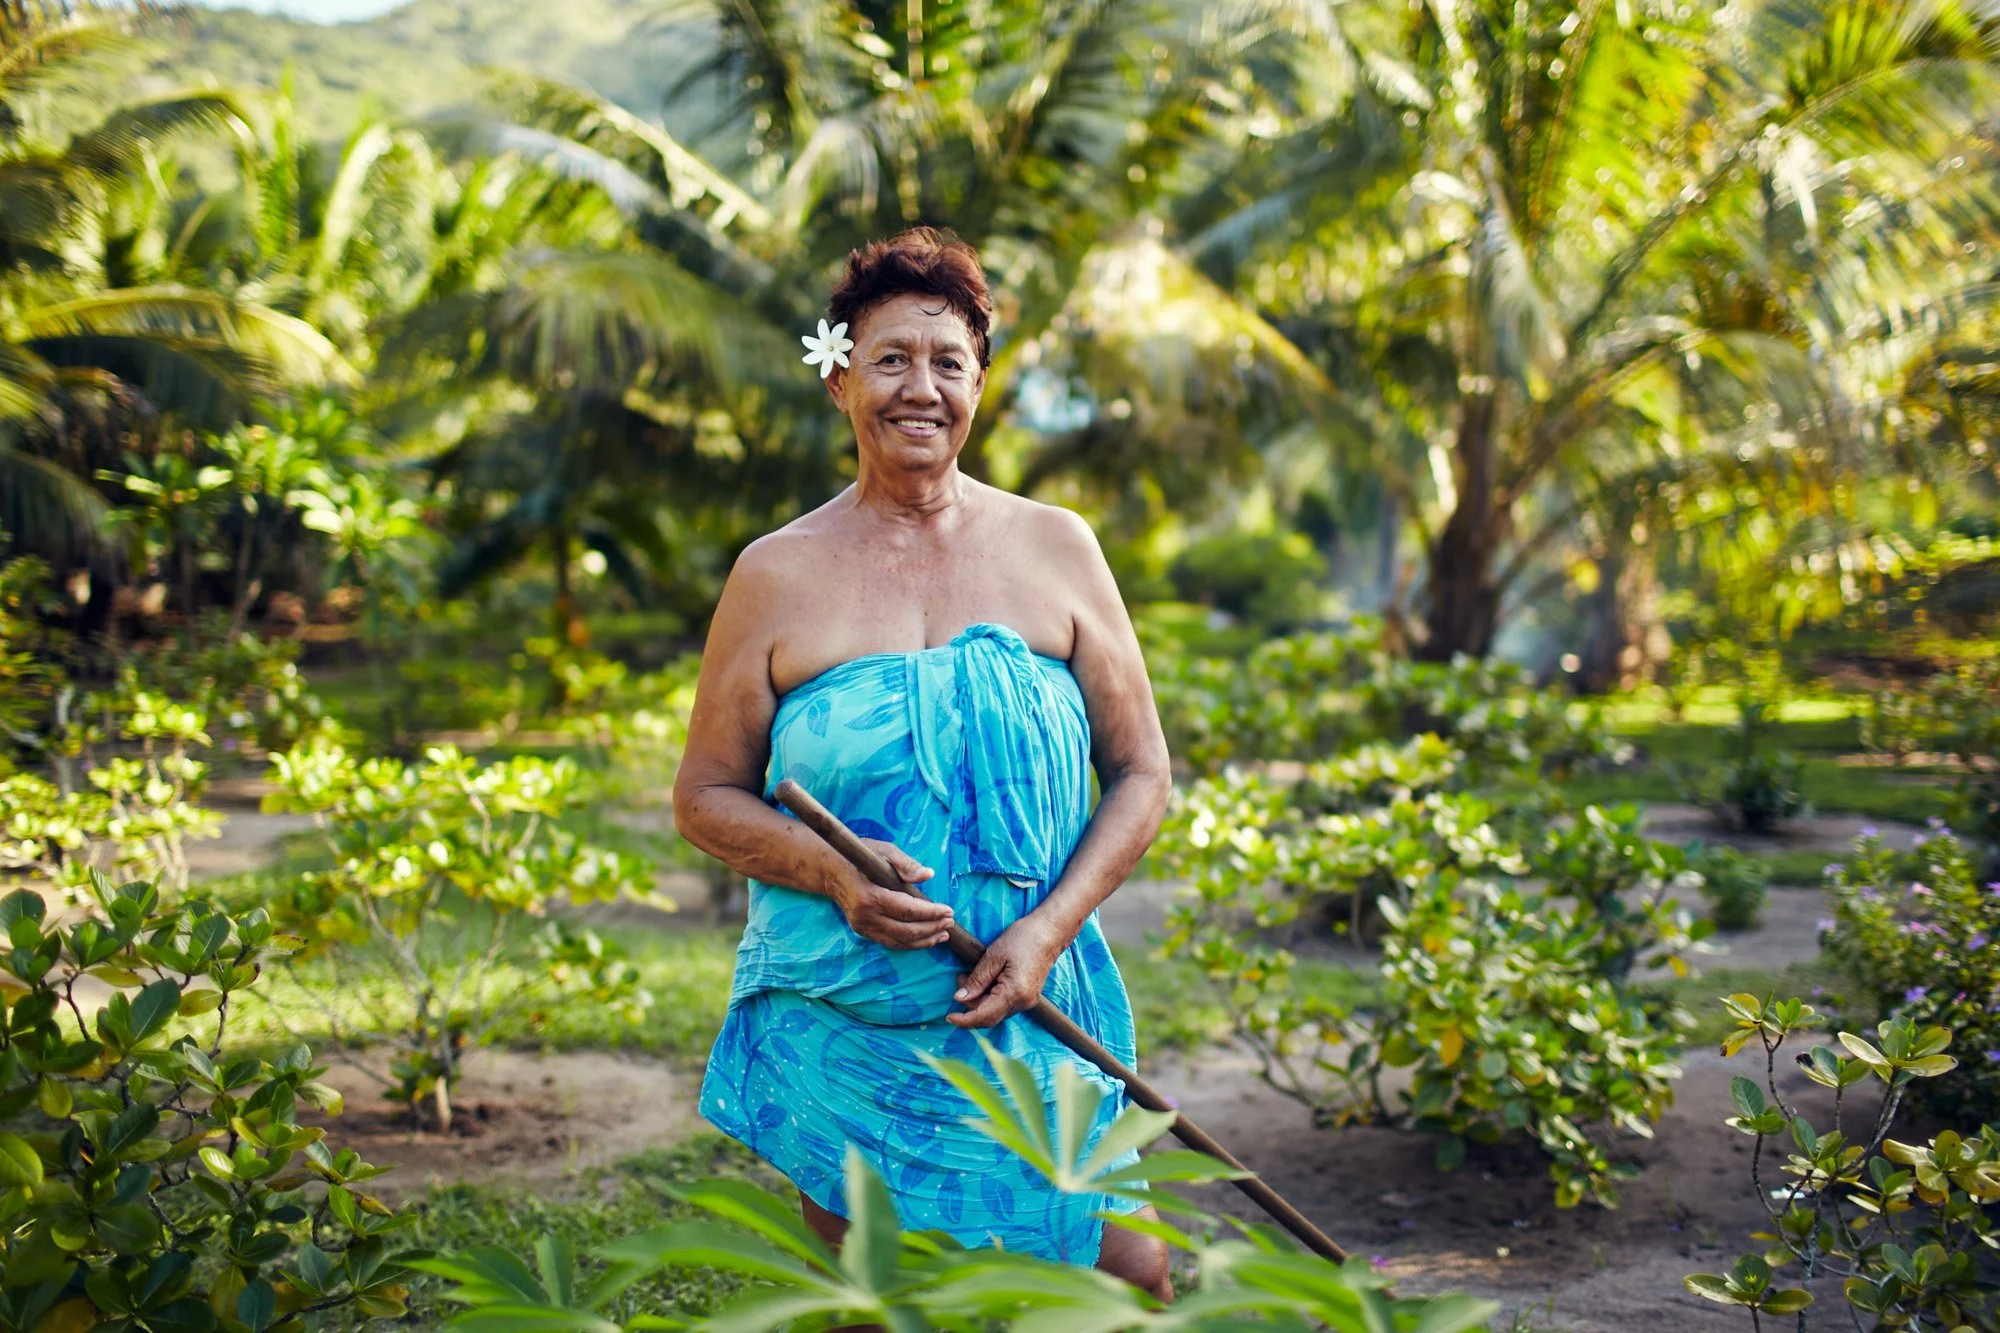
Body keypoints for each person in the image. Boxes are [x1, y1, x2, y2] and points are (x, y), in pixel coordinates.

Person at [672, 226, 1173, 1299]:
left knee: (1126, 1278)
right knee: (878, 1303)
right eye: (890, 357)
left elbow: (1139, 772)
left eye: (947, 362)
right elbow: (704, 794)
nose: (920, 387)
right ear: (839, 378)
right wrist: (834, 875)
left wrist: (1045, 930)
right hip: (846, 1010)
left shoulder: (1056, 547)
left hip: (1028, 988)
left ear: (979, 386)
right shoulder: (775, 573)